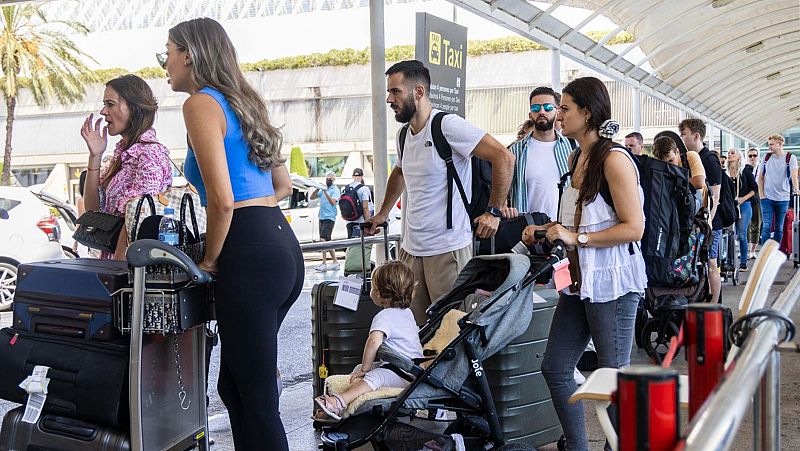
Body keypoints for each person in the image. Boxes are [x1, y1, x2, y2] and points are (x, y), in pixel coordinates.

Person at [163, 17, 303, 450]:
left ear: (189, 54)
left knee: (257, 399)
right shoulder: (244, 101)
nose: (165, 63)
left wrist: (208, 261)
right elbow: (283, 185)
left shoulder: (201, 104)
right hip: (279, 244)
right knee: (237, 388)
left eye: (167, 52)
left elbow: (221, 201)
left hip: (247, 250)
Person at [522, 76, 646, 451]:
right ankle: (577, 446)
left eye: (564, 108)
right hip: (579, 281)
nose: (557, 115)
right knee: (556, 367)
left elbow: (634, 227)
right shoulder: (576, 156)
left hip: (613, 283)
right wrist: (545, 230)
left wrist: (578, 239)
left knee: (613, 380)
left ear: (587, 113)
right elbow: (580, 219)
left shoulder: (613, 159)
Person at [366, 60, 514, 326]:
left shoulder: (448, 126)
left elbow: (504, 157)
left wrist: (494, 212)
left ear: (419, 92)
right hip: (411, 250)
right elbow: (400, 172)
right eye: (389, 92)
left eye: (395, 91)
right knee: (416, 332)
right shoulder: (404, 135)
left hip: (447, 250)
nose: (389, 99)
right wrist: (383, 213)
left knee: (450, 333)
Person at [313, 260, 422, 420]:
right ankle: (348, 401)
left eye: (373, 287)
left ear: (379, 294)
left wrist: (366, 368)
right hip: (411, 370)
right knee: (363, 370)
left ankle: (338, 402)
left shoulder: (383, 317)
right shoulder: (407, 313)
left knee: (373, 375)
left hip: (401, 371)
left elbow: (373, 342)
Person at [79, 74, 172, 260]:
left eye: (110, 104)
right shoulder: (123, 154)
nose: (103, 111)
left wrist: (118, 273)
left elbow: (137, 219)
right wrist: (95, 156)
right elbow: (93, 210)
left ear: (134, 108)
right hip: (117, 265)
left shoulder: (150, 155)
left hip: (132, 272)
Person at [505, 86, 573, 221]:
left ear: (557, 111)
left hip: (562, 229)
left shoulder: (572, 148)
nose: (542, 111)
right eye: (536, 108)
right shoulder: (515, 151)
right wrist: (505, 207)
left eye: (548, 107)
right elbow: (503, 191)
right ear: (530, 114)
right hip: (525, 230)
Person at [680, 118, 722, 304]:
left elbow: (715, 196)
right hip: (699, 223)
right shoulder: (688, 158)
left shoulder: (708, 160)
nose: (681, 138)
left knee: (711, 264)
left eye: (684, 134)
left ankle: (714, 307)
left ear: (696, 136)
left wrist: (707, 225)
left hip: (711, 223)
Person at [758, 134, 800, 245]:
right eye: (769, 144)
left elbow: (794, 175)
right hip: (767, 198)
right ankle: (765, 254)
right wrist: (761, 194)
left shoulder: (790, 158)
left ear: (780, 144)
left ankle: (774, 252)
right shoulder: (766, 157)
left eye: (772, 144)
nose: (769, 147)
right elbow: (760, 177)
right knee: (766, 227)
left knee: (779, 228)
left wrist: (796, 189)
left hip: (783, 198)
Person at [727, 148, 756, 271]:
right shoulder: (725, 172)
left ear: (739, 157)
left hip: (744, 206)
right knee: (729, 235)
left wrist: (743, 199)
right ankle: (728, 262)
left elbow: (754, 190)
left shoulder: (745, 171)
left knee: (742, 234)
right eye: (728, 153)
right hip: (730, 206)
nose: (729, 155)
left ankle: (743, 263)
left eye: (733, 153)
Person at [310, 170, 340, 271]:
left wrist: (325, 192)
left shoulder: (335, 190)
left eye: (330, 179)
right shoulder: (323, 189)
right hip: (322, 216)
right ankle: (335, 261)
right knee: (327, 240)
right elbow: (312, 197)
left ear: (333, 179)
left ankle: (323, 262)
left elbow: (332, 202)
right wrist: (317, 188)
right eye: (327, 179)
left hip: (330, 217)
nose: (328, 180)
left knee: (322, 240)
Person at [344, 168, 372, 238]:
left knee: (351, 244)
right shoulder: (364, 189)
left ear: (352, 176)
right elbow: (365, 207)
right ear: (362, 176)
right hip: (360, 222)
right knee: (360, 245)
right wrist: (368, 222)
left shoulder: (346, 188)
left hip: (349, 221)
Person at [746, 148, 762, 259]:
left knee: (756, 223)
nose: (752, 158)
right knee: (746, 224)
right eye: (750, 155)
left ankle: (752, 250)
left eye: (754, 155)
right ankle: (746, 249)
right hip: (747, 197)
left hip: (758, 197)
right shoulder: (744, 169)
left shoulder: (761, 168)